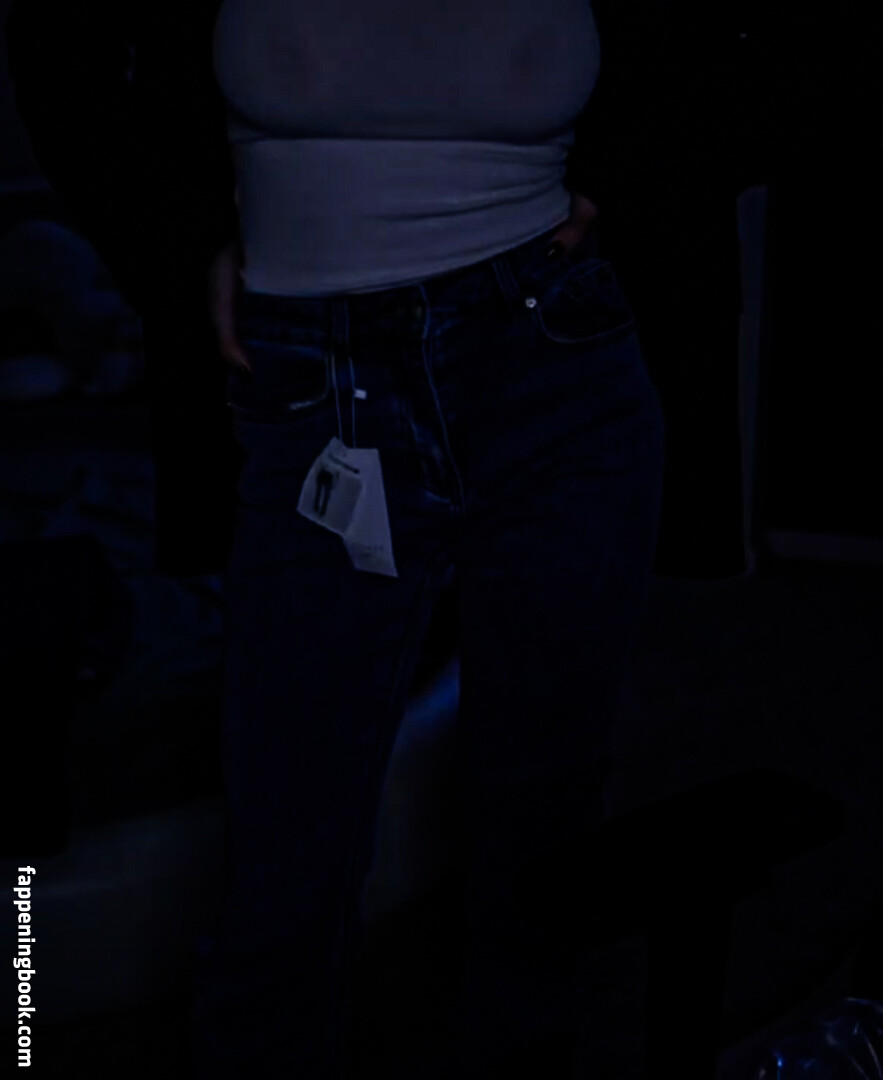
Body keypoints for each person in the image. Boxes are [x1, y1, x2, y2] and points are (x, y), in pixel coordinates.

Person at [183, 3, 664, 1079]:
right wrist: (182, 234)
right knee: (288, 831)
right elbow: (72, 61)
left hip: (553, 355)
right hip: (315, 373)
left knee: (542, 806)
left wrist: (629, 178)